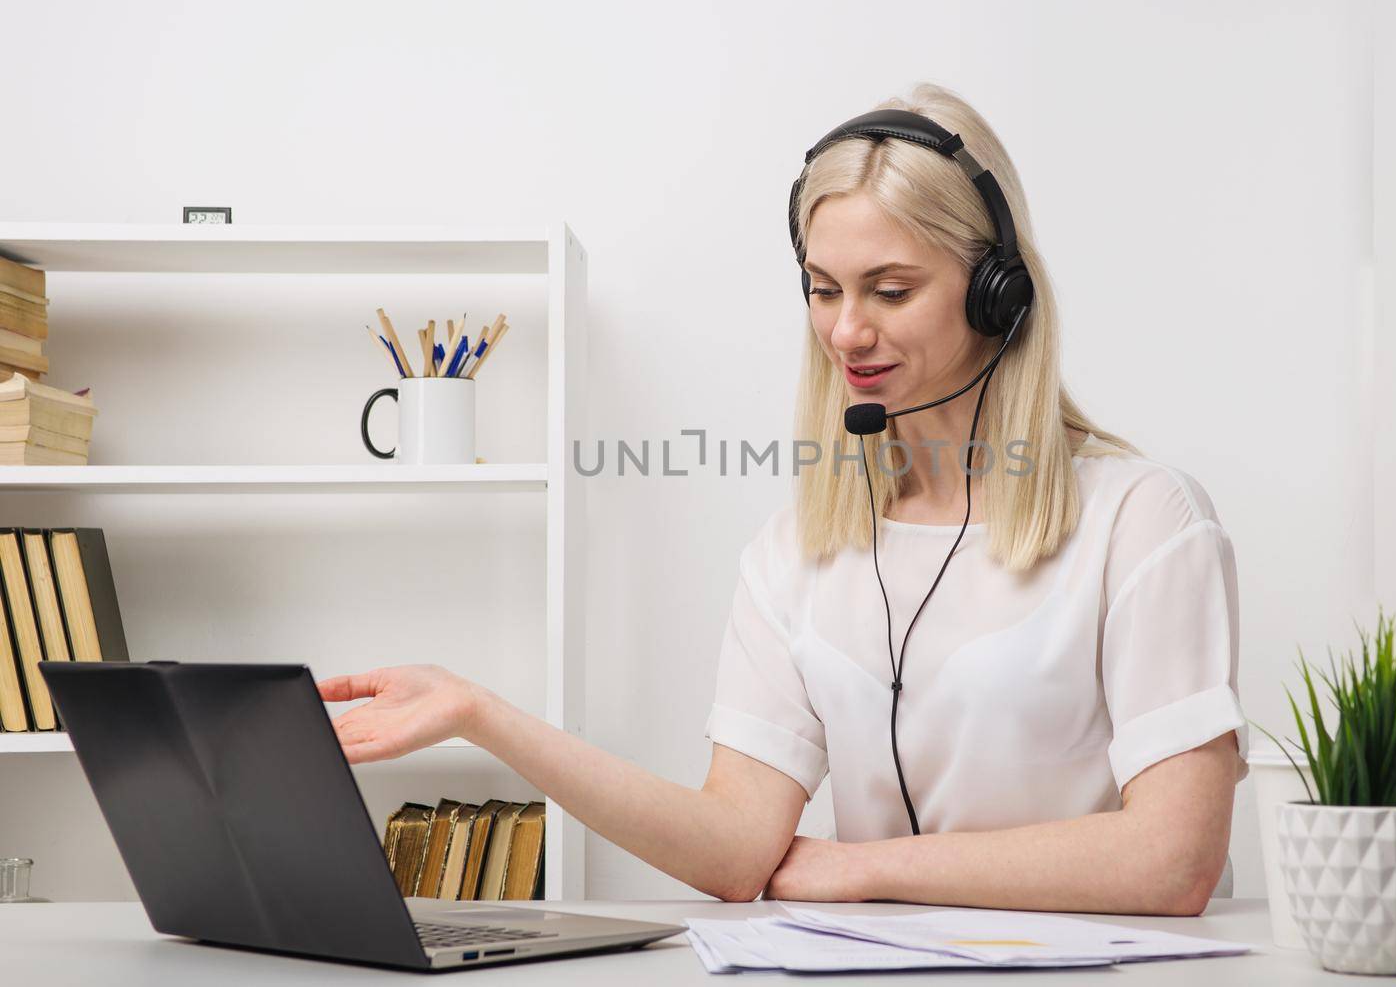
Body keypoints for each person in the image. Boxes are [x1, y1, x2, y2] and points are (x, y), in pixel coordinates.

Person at [319, 82, 1247, 915]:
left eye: (891, 289)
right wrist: (482, 714)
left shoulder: (1144, 520)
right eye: (823, 288)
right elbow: (737, 849)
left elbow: (1172, 859)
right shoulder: (796, 553)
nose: (848, 330)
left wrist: (864, 866)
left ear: (998, 296)